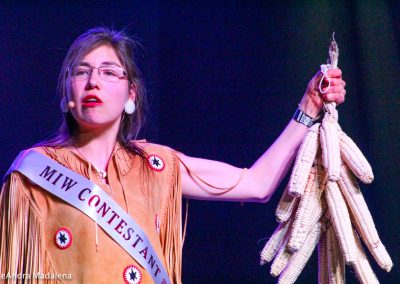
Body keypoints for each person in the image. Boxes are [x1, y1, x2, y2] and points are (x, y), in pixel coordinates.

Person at [0, 27, 345, 284]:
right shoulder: (34, 173)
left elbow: (257, 183)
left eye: (108, 72)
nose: (93, 82)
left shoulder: (157, 166)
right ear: (68, 95)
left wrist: (308, 106)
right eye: (81, 71)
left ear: (130, 93)